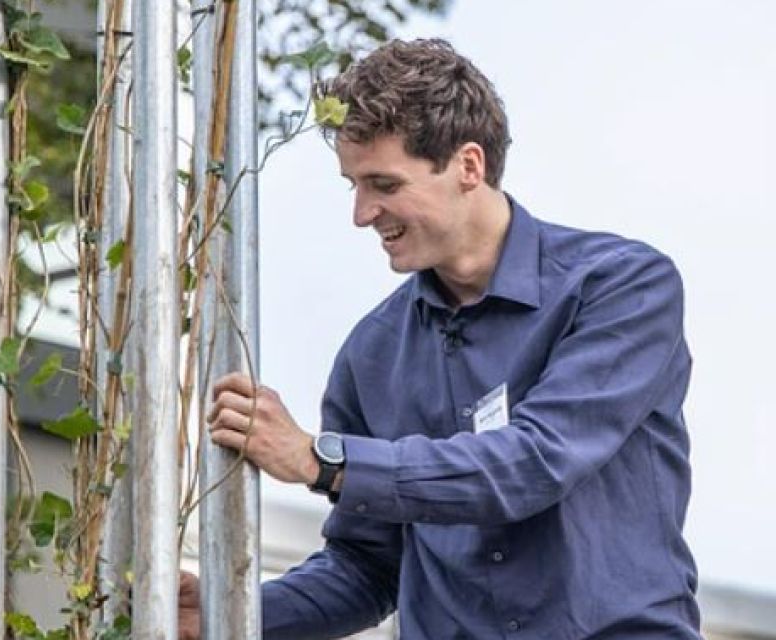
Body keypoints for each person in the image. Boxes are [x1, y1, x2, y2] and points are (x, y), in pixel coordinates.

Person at [192, 39, 698, 638]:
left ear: (468, 166)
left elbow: (534, 463)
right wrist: (231, 613)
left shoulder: (624, 287)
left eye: (383, 183)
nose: (361, 213)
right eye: (353, 184)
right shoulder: (370, 355)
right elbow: (371, 567)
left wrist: (320, 460)